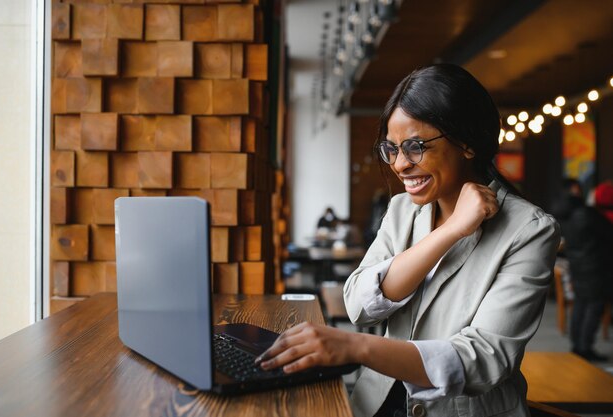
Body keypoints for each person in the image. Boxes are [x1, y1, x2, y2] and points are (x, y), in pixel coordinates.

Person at [255, 64, 560, 417]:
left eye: (415, 147)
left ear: (466, 143)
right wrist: (450, 232)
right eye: (391, 148)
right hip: (377, 403)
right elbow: (358, 305)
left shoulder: (529, 230)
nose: (400, 165)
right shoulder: (403, 209)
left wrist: (357, 348)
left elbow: (484, 361)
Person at [552, 179, 613, 361]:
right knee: (594, 306)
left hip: (578, 265)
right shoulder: (587, 214)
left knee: (581, 303)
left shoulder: (566, 213)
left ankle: (577, 345)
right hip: (595, 266)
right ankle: (585, 348)